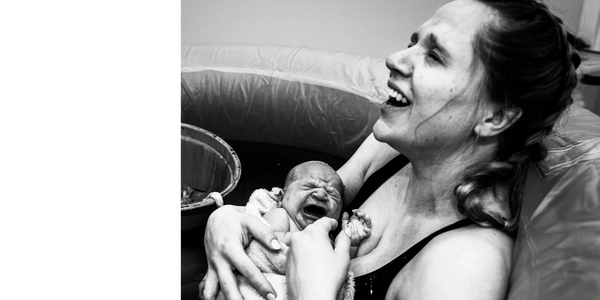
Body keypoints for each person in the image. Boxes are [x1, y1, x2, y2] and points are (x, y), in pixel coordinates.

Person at [199, 0, 583, 299]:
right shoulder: (396, 147)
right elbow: (297, 209)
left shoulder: (462, 268)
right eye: (412, 43)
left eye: (434, 55)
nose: (395, 59)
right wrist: (227, 220)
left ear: (496, 117)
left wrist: (312, 294)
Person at [217, 161, 371, 300]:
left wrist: (351, 239)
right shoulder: (282, 215)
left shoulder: (330, 233)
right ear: (282, 197)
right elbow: (268, 241)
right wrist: (305, 239)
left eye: (333, 195)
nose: (322, 195)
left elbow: (339, 266)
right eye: (309, 187)